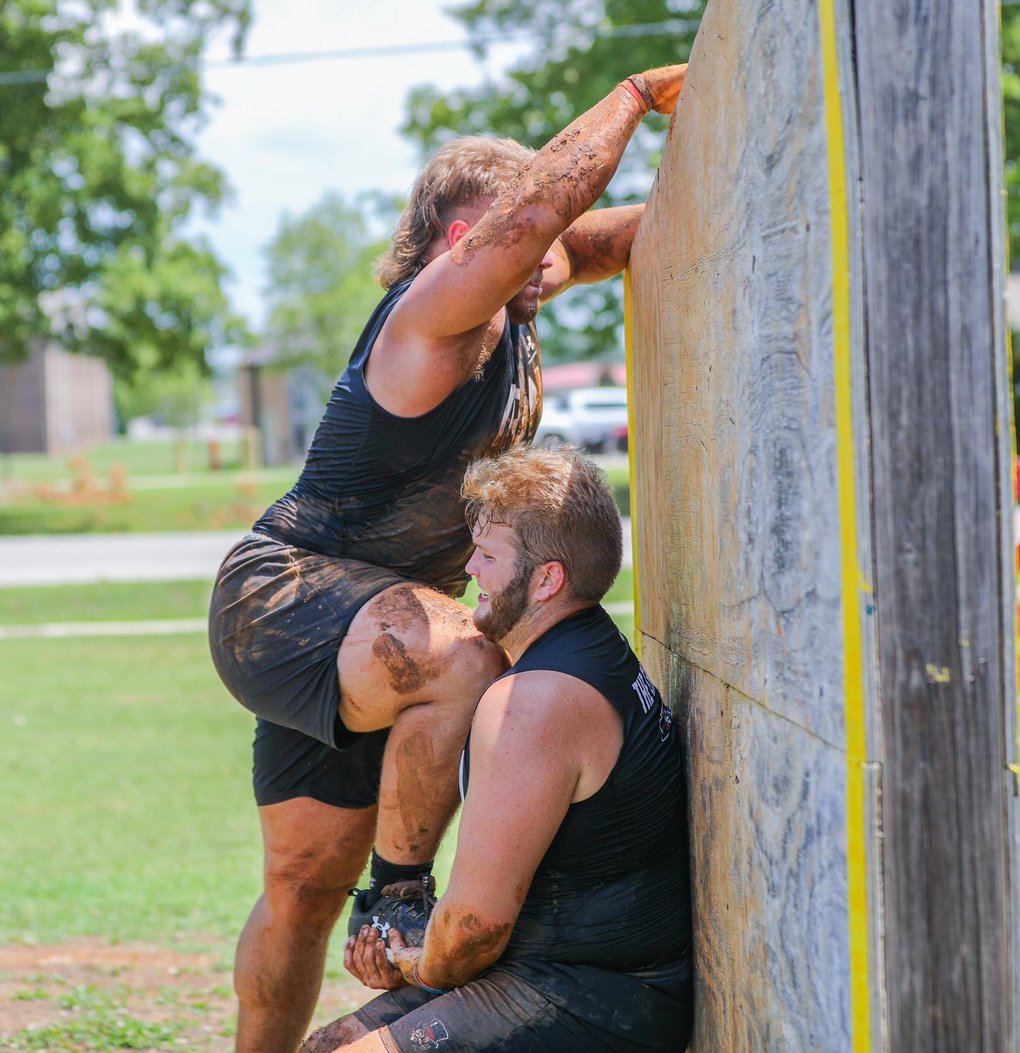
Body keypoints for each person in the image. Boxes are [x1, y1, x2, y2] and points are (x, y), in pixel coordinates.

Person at [208, 63, 688, 1053]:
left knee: (300, 888)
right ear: (438, 247)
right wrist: (637, 94)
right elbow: (526, 225)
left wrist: (722, 134)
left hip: (386, 636)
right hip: (287, 594)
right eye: (484, 236)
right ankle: (400, 902)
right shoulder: (428, 320)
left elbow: (634, 229)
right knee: (468, 655)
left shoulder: (524, 288)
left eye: (526, 236)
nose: (514, 251)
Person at [299, 446, 692, 1053]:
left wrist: (418, 962)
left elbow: (476, 930)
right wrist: (421, 944)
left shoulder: (533, 707)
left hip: (597, 1000)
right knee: (330, 1043)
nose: (471, 568)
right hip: (561, 969)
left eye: (488, 555)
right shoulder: (584, 647)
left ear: (546, 579)